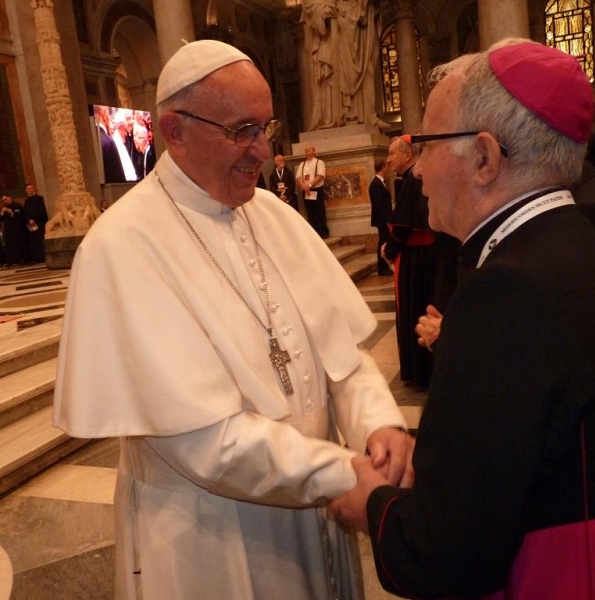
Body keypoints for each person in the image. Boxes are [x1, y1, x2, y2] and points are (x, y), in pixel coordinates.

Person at [53, 39, 414, 600]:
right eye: (242, 130)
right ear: (174, 130)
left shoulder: (273, 216)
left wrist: (379, 427)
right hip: (212, 534)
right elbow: (203, 443)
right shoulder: (121, 247)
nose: (263, 152)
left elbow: (343, 361)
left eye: (265, 128)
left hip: (318, 507)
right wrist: (343, 474)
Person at [329, 39, 595, 600]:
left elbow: (451, 551)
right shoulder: (575, 244)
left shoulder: (505, 291)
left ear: (484, 158)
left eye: (424, 144)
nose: (418, 168)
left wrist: (372, 506)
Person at [382, 135, 436, 390]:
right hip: (424, 257)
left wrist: (388, 250)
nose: (389, 159)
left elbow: (401, 227)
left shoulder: (413, 179)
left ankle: (419, 372)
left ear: (407, 154)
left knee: (413, 311)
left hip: (415, 260)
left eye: (393, 153)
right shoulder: (412, 177)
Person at [300, 0, 382, 130]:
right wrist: (322, 11)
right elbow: (309, 5)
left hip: (355, 26)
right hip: (330, 35)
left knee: (366, 69)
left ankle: (365, 115)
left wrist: (361, 8)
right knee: (331, 75)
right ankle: (335, 117)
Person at [296, 145, 329, 238]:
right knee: (310, 212)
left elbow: (320, 175)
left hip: (316, 189)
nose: (307, 150)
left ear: (314, 151)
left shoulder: (319, 162)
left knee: (319, 211)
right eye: (305, 149)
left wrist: (310, 185)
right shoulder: (302, 164)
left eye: (309, 149)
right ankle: (313, 234)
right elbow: (298, 177)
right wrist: (304, 186)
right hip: (306, 190)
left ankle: (323, 232)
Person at [368, 159, 393, 276]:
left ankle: (383, 267)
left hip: (384, 219)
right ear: (383, 167)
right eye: (386, 167)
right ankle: (382, 268)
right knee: (383, 242)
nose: (387, 169)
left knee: (384, 241)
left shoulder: (380, 182)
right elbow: (379, 205)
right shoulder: (376, 184)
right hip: (382, 220)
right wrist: (387, 220)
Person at [94, 104, 126, 183]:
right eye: (108, 114)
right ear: (104, 114)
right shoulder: (108, 142)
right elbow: (119, 179)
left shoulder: (90, 139)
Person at [23, 183, 48, 263]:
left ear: (34, 189)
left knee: (40, 240)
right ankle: (36, 257)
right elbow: (25, 212)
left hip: (39, 223)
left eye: (31, 188)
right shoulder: (26, 201)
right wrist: (29, 220)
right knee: (33, 241)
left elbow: (42, 211)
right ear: (26, 191)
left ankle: (43, 257)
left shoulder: (39, 198)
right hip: (31, 224)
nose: (30, 190)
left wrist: (34, 219)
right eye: (28, 189)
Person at [111, 110, 138, 182]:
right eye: (128, 119)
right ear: (120, 126)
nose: (132, 122)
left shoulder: (126, 140)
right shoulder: (115, 144)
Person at [0, 193, 27, 266]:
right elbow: (1, 219)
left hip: (18, 229)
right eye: (3, 200)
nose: (4, 201)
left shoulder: (17, 205)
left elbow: (21, 215)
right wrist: (2, 213)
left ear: (9, 198)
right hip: (9, 230)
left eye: (5, 199)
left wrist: (11, 212)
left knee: (19, 244)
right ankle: (12, 260)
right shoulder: (4, 208)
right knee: (10, 245)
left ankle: (22, 259)